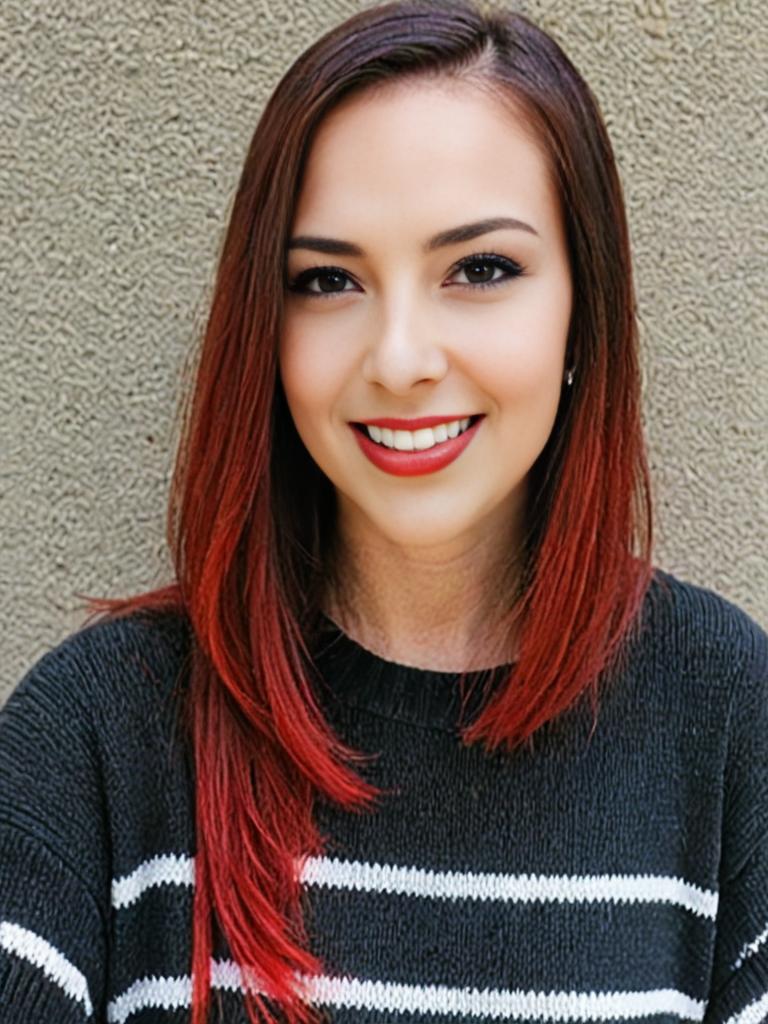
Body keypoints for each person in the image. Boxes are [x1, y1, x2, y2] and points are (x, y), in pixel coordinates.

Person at [1, 1, 765, 1022]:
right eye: (328, 279)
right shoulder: (94, 735)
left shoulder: (729, 719)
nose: (400, 358)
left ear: (584, 307)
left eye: (481, 269)